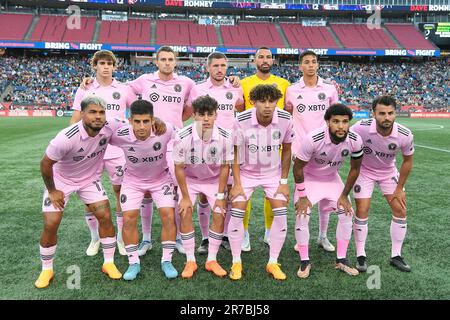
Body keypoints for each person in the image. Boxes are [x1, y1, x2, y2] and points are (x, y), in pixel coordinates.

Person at [35, 96, 124, 289]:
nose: (98, 117)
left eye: (101, 112)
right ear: (82, 114)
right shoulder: (66, 137)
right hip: (61, 181)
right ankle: (46, 269)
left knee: (105, 215)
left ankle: (108, 263)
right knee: (51, 223)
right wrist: (52, 190)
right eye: (92, 112)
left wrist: (157, 122)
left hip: (89, 179)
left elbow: (132, 125)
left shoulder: (110, 126)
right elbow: (45, 164)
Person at [71, 50, 137, 257]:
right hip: (91, 151)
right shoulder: (85, 89)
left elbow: (136, 114)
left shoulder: (124, 90)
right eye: (102, 63)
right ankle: (95, 238)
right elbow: (74, 119)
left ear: (115, 67)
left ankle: (120, 239)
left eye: (110, 63)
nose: (106, 66)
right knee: (90, 196)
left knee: (120, 192)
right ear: (95, 66)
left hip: (118, 150)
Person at [228, 84, 294, 281]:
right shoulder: (241, 120)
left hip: (272, 174)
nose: (267, 105)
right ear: (253, 102)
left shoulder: (285, 119)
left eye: (271, 101)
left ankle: (273, 262)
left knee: (281, 211)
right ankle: (236, 261)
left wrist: (283, 181)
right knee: (237, 209)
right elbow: (235, 152)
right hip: (246, 173)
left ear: (277, 102)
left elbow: (288, 150)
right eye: (262, 101)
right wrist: (237, 184)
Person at [109, 99, 179, 280]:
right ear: (130, 120)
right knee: (129, 218)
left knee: (168, 215)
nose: (141, 126)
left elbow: (185, 136)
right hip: (132, 181)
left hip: (160, 179)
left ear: (152, 120)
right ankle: (133, 263)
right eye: (137, 121)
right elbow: (101, 134)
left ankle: (167, 260)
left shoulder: (165, 130)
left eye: (146, 121)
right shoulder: (120, 134)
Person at [293, 103, 363, 279]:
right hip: (310, 179)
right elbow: (298, 168)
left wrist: (345, 196)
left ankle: (341, 259)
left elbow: (355, 169)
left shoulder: (355, 140)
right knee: (302, 214)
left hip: (332, 178)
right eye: (336, 121)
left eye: (345, 122)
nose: (341, 126)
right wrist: (302, 195)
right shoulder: (313, 139)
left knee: (347, 212)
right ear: (327, 122)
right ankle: (304, 261)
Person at [187, 52, 244, 254]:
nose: (220, 69)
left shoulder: (236, 87)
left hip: (228, 147)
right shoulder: (198, 89)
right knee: (204, 195)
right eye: (216, 66)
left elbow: (241, 108)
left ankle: (225, 235)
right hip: (204, 148)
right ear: (208, 68)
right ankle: (204, 237)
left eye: (223, 65)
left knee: (228, 194)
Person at [351, 95, 414, 272]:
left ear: (396, 113)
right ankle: (361, 255)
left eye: (390, 113)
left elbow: (408, 161)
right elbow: (347, 144)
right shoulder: (360, 128)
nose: (386, 117)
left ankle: (396, 255)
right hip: (365, 172)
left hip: (388, 173)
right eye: (382, 113)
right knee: (362, 209)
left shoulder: (404, 134)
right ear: (373, 113)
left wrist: (400, 188)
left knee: (400, 209)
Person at [285, 50, 340, 253]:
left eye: (313, 62)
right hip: (301, 151)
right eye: (306, 62)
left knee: (326, 197)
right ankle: (301, 238)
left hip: (326, 149)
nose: (310, 65)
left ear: (318, 65)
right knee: (303, 195)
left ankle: (322, 236)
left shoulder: (329, 89)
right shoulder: (291, 90)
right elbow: (288, 115)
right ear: (300, 66)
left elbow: (336, 117)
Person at [173, 95, 234, 279]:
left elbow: (225, 167)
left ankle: (212, 260)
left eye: (210, 114)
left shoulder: (225, 136)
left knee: (218, 212)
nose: (206, 119)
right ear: (194, 116)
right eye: (201, 114)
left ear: (216, 115)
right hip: (190, 180)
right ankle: (190, 260)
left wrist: (221, 197)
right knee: (184, 211)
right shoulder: (182, 136)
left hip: (214, 180)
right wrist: (184, 196)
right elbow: (179, 167)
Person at [240, 47, 291, 251]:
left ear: (273, 60)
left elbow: (288, 113)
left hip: (274, 146)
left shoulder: (285, 84)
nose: (264, 59)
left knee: (274, 193)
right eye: (260, 56)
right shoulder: (243, 83)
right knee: (244, 195)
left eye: (268, 56)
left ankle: (270, 231)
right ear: (254, 60)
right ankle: (243, 233)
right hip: (249, 145)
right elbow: (238, 111)